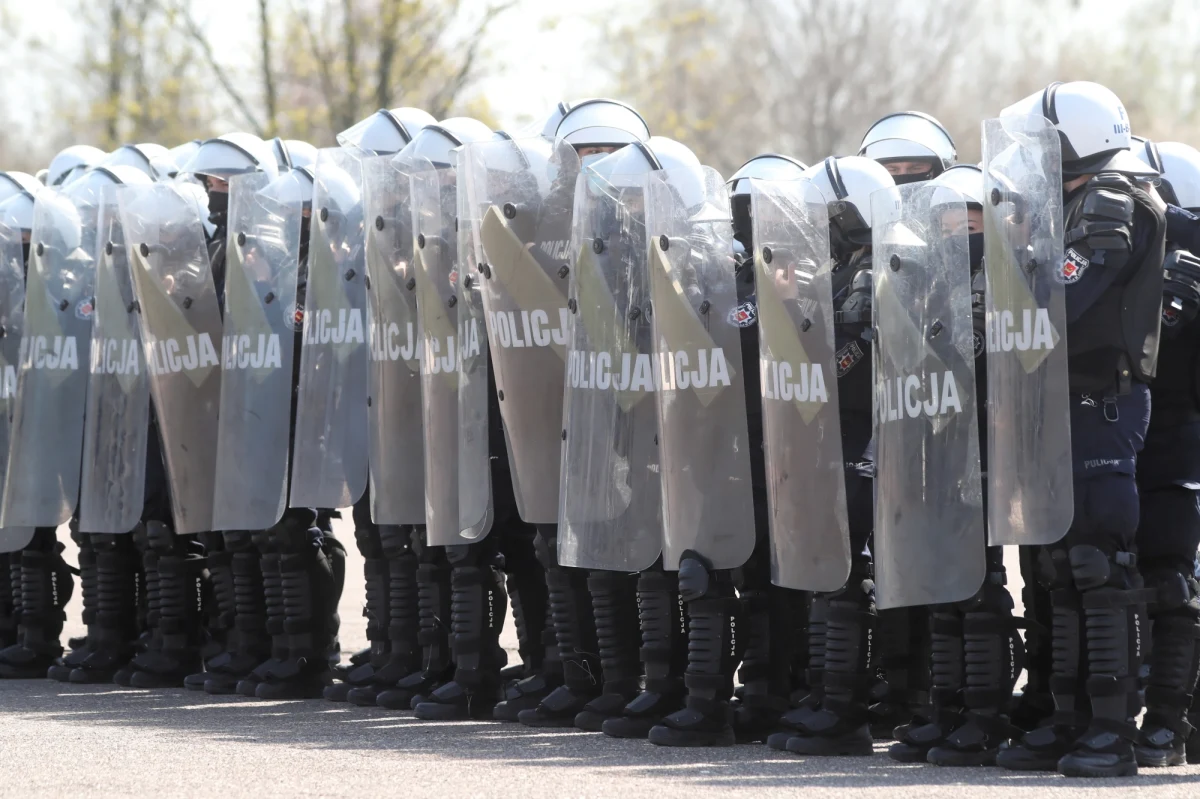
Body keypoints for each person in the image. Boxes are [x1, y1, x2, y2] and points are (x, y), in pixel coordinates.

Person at [990, 80, 1167, 779]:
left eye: (1037, 143)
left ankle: (1111, 728)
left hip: (1101, 400)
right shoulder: (1066, 201)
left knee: (1098, 561)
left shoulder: (1111, 201)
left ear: (1070, 143)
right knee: (1054, 564)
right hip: (1053, 400)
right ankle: (1065, 717)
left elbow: (1068, 290)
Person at [514, 99, 657, 730]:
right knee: (568, 547)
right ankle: (584, 676)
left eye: (609, 154)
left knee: (634, 549)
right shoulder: (547, 223)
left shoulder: (662, 222)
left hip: (639, 409)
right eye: (584, 156)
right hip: (569, 405)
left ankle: (639, 683)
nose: (596, 167)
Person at [885, 165, 1026, 765]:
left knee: (980, 585)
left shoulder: (1006, 277)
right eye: (947, 222)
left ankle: (986, 715)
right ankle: (947, 710)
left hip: (989, 443)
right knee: (944, 583)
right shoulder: (918, 280)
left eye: (970, 220)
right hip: (936, 441)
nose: (957, 232)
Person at [768, 155, 896, 756]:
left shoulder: (882, 271)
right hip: (830, 435)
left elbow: (852, 364)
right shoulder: (842, 269)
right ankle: (822, 697)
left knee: (845, 571)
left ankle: (845, 713)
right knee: (826, 567)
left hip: (866, 435)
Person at [1126, 138, 1200, 767]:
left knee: (1173, 582)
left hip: (1180, 442)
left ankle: (1167, 722)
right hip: (1125, 432)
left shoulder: (1186, 269)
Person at [858, 112, 956, 185]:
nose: (903, 175)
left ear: (938, 170)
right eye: (892, 169)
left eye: (916, 168)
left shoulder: (956, 211)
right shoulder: (862, 211)